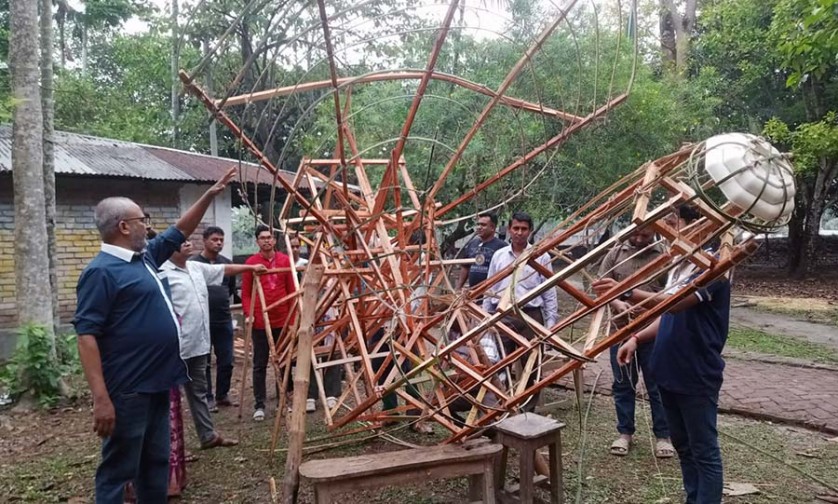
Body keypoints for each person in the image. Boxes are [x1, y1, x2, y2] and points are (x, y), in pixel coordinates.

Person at [73, 167, 236, 503]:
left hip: (160, 381)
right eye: (141, 219)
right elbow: (86, 335)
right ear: (123, 227)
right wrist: (101, 398)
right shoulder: (100, 272)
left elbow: (180, 230)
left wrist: (208, 195)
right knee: (119, 469)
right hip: (129, 389)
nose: (147, 225)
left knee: (155, 464)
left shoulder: (144, 259)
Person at [597, 204, 729, 504]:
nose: (666, 231)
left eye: (672, 223)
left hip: (695, 371)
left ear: (699, 226)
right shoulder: (681, 264)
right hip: (669, 368)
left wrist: (627, 292)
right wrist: (636, 337)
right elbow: (666, 315)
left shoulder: (715, 265)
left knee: (704, 451)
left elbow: (674, 304)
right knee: (683, 446)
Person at [163, 241, 266, 448]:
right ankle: (170, 449)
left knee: (198, 391)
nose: (188, 243)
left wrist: (251, 268)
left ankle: (207, 436)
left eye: (188, 239)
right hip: (173, 346)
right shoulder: (161, 272)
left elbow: (225, 269)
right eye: (181, 241)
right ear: (168, 248)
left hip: (197, 342)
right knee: (168, 400)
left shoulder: (195, 267)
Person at [597, 224, 673, 458]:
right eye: (635, 234)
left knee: (657, 385)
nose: (639, 239)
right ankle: (624, 434)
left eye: (645, 235)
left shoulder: (666, 256)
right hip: (620, 331)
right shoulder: (616, 254)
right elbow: (600, 287)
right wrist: (616, 302)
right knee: (623, 384)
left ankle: (663, 437)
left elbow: (673, 295)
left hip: (654, 332)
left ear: (655, 233)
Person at [482, 211, 559, 412]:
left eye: (524, 229)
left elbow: (550, 291)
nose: (519, 233)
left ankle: (527, 410)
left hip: (531, 317)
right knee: (498, 363)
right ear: (509, 230)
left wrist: (550, 325)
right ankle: (500, 406)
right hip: (503, 315)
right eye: (515, 228)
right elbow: (490, 287)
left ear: (530, 231)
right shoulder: (499, 256)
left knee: (531, 365)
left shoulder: (541, 256)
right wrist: (486, 317)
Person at [241, 225, 297, 421]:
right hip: (260, 321)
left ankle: (285, 400)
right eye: (262, 238)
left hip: (282, 319)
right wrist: (249, 314)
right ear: (257, 241)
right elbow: (246, 293)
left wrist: (292, 320)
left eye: (269, 237)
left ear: (274, 240)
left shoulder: (284, 261)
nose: (266, 240)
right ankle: (259, 404)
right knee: (259, 363)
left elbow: (292, 292)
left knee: (283, 362)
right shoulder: (251, 263)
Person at [189, 226, 239, 412]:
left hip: (223, 320)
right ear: (204, 240)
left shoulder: (226, 264)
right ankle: (207, 398)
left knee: (226, 360)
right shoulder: (193, 264)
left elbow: (231, 288)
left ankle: (222, 395)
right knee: (205, 362)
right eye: (214, 239)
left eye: (221, 240)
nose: (218, 243)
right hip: (202, 321)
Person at [457, 212, 507, 290]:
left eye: (483, 225)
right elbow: (465, 267)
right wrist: (458, 288)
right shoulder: (472, 244)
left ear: (493, 227)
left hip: (492, 294)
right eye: (478, 224)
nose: (479, 227)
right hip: (473, 294)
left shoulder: (502, 247)